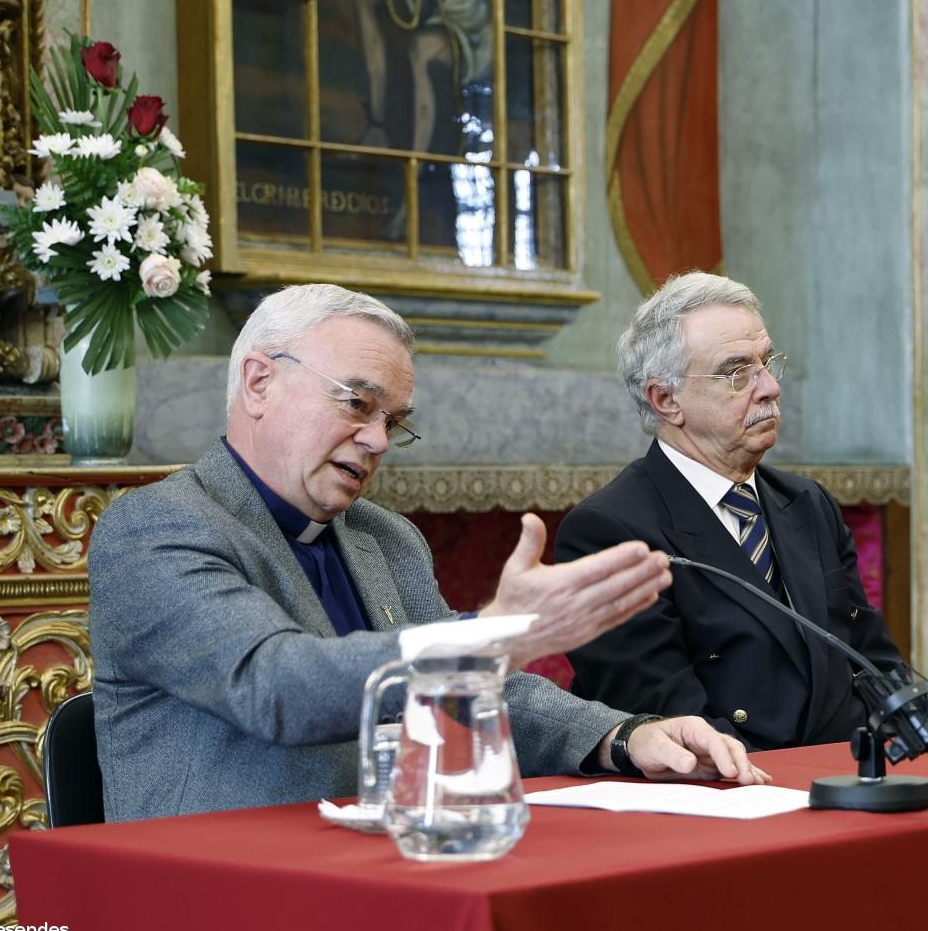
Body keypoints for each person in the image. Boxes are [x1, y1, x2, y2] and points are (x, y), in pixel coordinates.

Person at [88, 284, 766, 822]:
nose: (378, 440)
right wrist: (496, 633)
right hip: (223, 893)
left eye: (394, 421)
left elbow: (472, 690)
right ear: (259, 383)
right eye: (357, 404)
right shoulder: (156, 528)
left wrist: (625, 738)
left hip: (389, 866)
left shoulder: (385, 538)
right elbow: (276, 685)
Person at [555, 273, 905, 751]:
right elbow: (666, 715)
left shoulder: (808, 502)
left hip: (846, 769)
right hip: (727, 783)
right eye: (737, 372)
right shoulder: (609, 530)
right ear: (666, 399)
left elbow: (871, 660)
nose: (770, 388)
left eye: (768, 363)